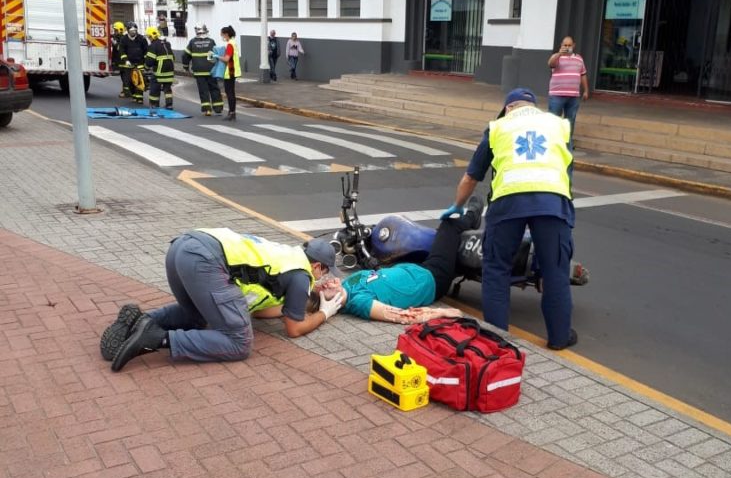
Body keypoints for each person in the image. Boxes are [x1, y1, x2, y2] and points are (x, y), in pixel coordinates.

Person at [444, 87, 577, 350]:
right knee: (555, 271)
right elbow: (566, 168)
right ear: (534, 107)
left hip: (508, 202)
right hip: (552, 202)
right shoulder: (559, 125)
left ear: (508, 108)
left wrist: (456, 206)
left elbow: (472, 177)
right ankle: (560, 338)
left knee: (496, 270)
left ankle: (497, 342)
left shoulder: (498, 127)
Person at [99, 231, 345, 372]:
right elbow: (293, 329)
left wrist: (308, 300)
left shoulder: (287, 255)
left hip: (183, 247)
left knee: (197, 315)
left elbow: (259, 312)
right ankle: (156, 338)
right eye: (324, 271)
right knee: (239, 342)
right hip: (205, 260)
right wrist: (325, 312)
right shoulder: (302, 275)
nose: (322, 277)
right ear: (316, 265)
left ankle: (143, 321)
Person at [310, 195, 485, 324]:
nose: (326, 283)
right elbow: (402, 316)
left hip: (415, 268)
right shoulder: (358, 302)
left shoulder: (347, 285)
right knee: (448, 227)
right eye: (325, 290)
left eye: (321, 285)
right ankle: (472, 216)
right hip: (432, 278)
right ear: (332, 303)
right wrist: (441, 313)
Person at [547, 35, 589, 141]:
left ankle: (567, 144)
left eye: (569, 45)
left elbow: (583, 74)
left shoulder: (579, 58)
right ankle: (552, 142)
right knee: (553, 120)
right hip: (557, 95)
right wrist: (559, 54)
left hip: (573, 96)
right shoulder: (557, 57)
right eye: (565, 45)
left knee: (570, 121)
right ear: (561, 45)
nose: (567, 47)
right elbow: (550, 63)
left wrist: (586, 90)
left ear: (573, 45)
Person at [182, 24, 223, 116]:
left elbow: (185, 55)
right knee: (214, 88)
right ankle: (218, 108)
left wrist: (186, 67)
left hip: (199, 71)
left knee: (203, 90)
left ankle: (207, 109)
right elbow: (215, 55)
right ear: (205, 30)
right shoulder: (211, 41)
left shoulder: (192, 42)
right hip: (211, 70)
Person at [211, 25, 240, 121]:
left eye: (222, 35)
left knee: (229, 92)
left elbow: (226, 59)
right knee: (231, 92)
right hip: (233, 70)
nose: (222, 37)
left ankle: (231, 113)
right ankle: (232, 112)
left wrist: (217, 56)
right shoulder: (233, 43)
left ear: (226, 34)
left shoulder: (230, 45)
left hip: (230, 70)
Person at [144, 26, 175, 113]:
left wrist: (146, 68)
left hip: (159, 71)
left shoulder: (153, 46)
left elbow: (150, 60)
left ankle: (154, 104)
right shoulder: (166, 44)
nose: (149, 39)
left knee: (154, 87)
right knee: (167, 88)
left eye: (149, 37)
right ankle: (169, 105)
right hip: (170, 69)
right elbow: (173, 57)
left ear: (152, 36)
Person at [118, 22, 148, 105]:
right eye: (131, 31)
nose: (133, 33)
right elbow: (122, 51)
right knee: (130, 81)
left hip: (140, 63)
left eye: (135, 31)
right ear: (128, 31)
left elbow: (146, 51)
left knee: (139, 81)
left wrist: (145, 62)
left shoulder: (142, 39)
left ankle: (140, 98)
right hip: (129, 64)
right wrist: (126, 60)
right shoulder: (124, 39)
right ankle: (134, 96)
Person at [111, 22, 129, 98]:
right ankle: (125, 91)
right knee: (123, 76)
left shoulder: (122, 38)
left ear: (120, 30)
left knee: (125, 77)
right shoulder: (118, 37)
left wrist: (114, 42)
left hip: (123, 61)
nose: (114, 32)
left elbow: (119, 48)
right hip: (120, 61)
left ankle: (126, 92)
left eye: (116, 30)